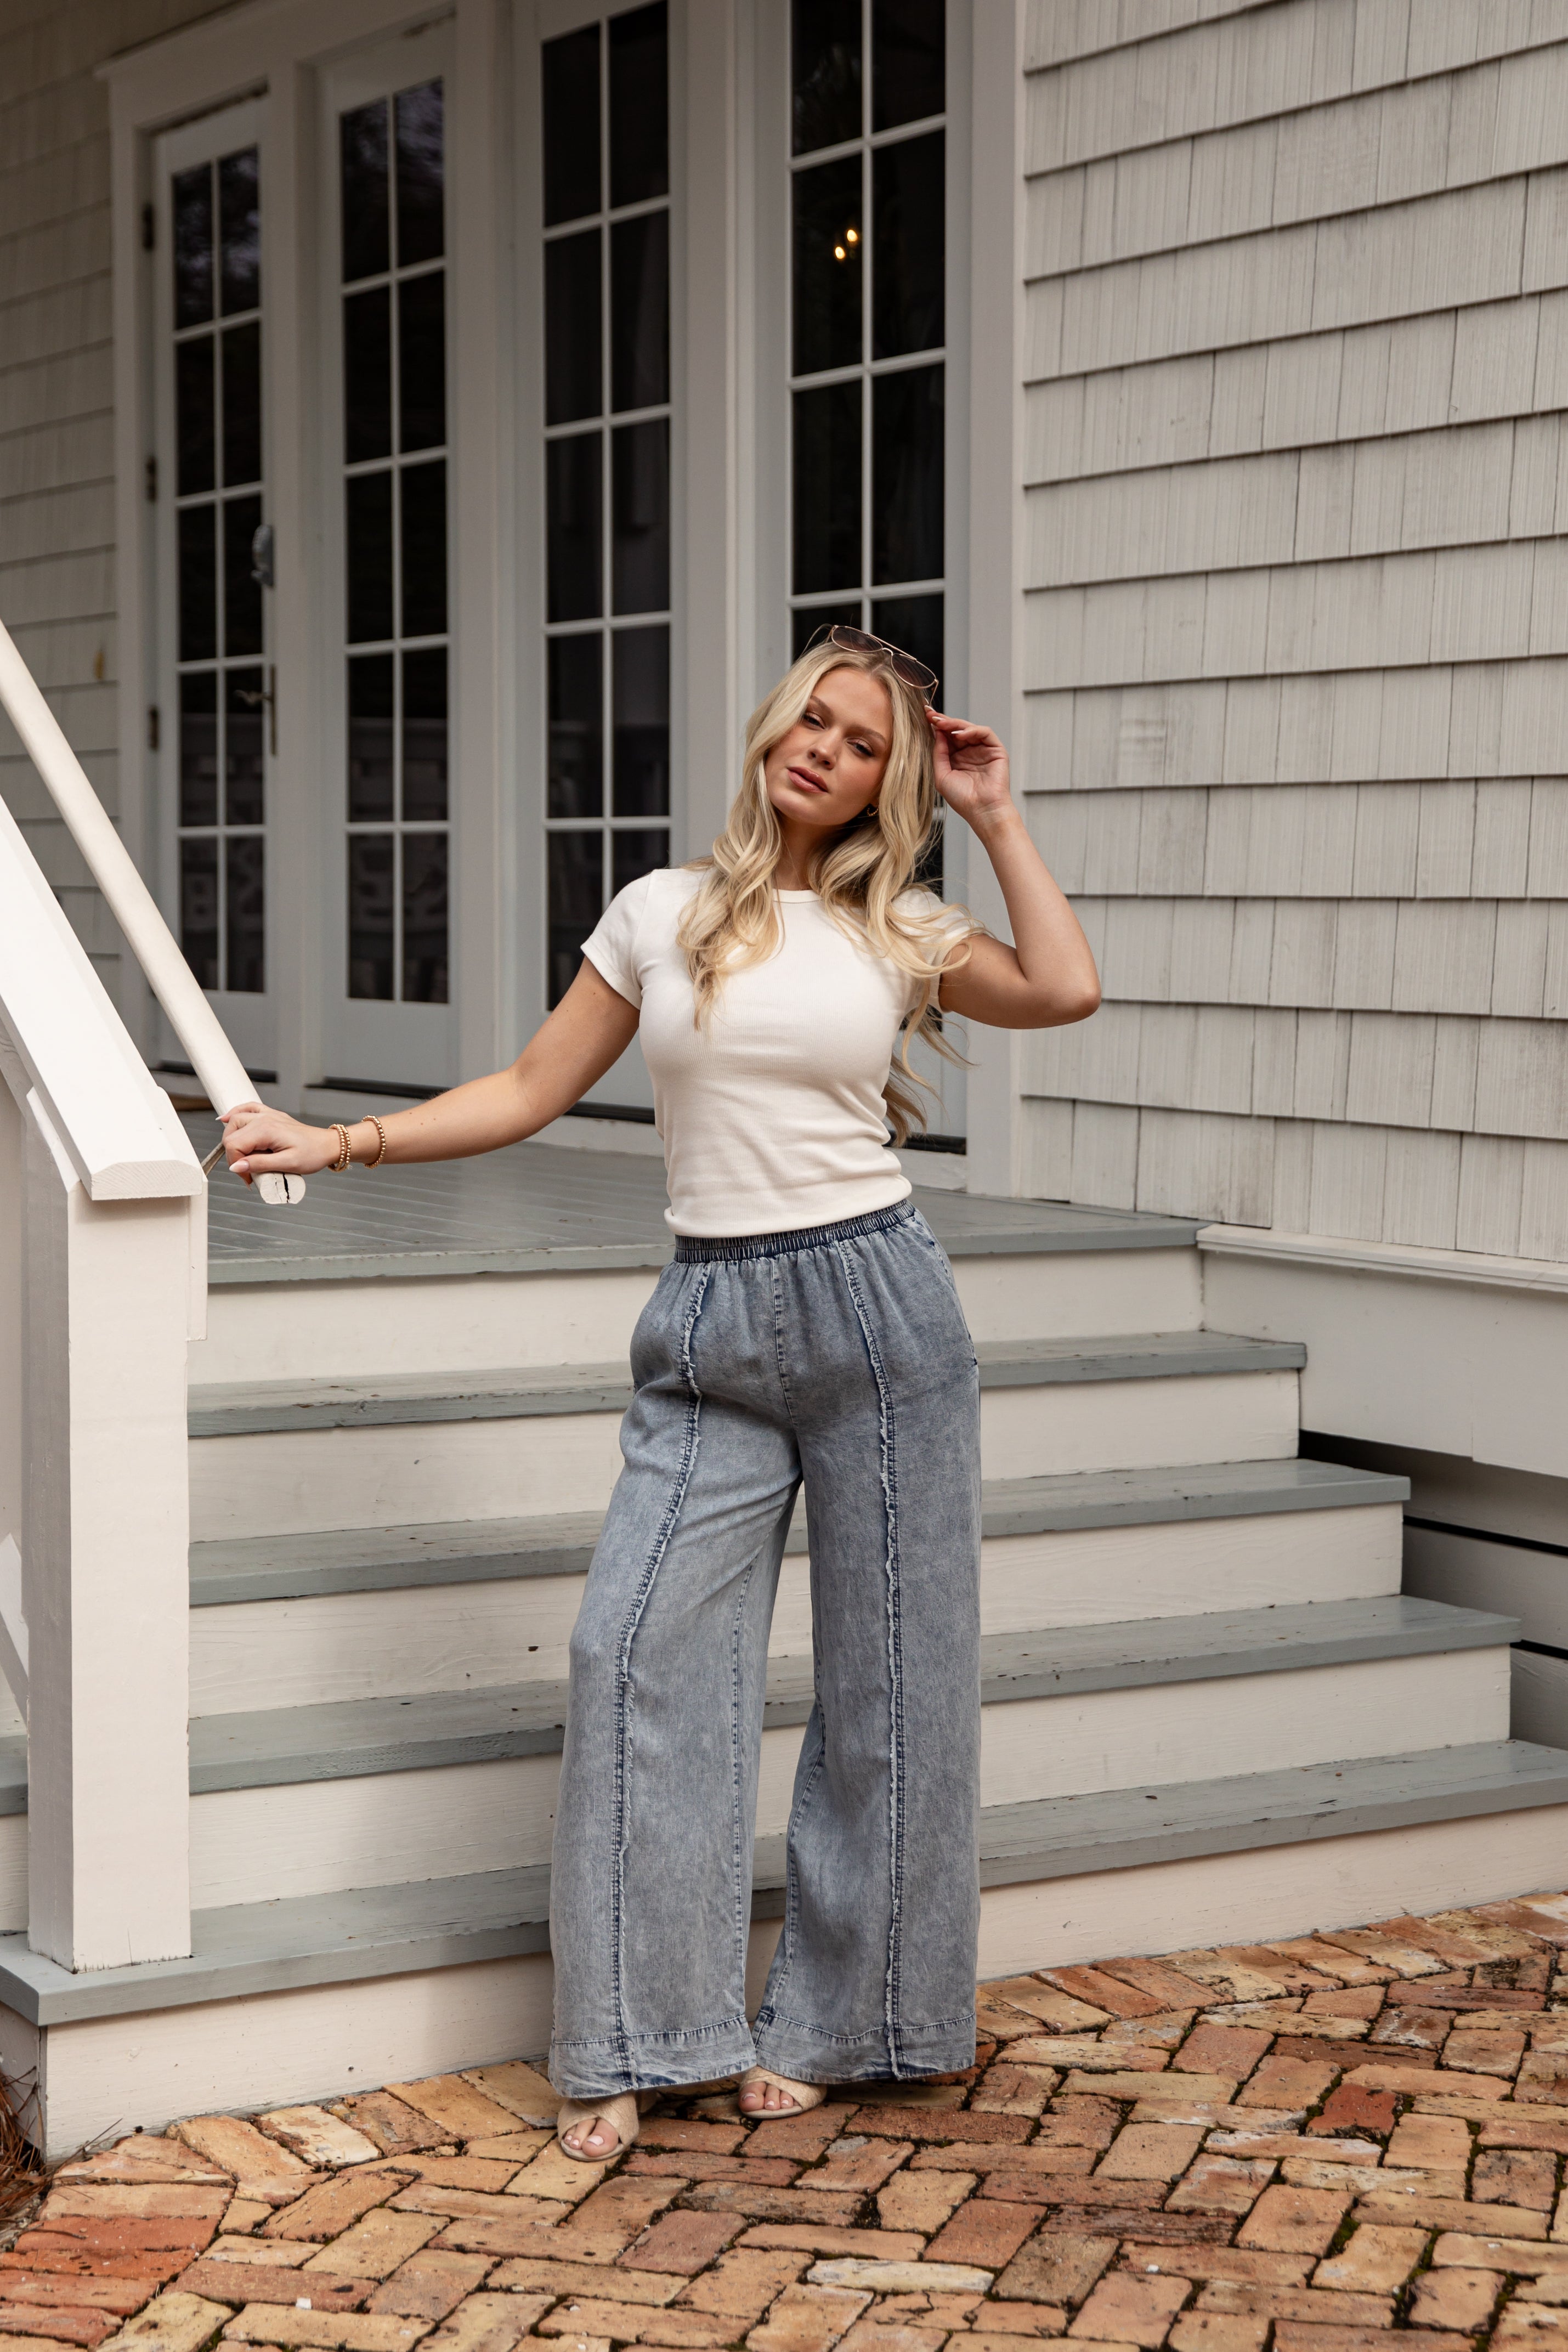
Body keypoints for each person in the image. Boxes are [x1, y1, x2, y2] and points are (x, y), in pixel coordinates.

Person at [220, 628, 1101, 2162]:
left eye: (862, 740)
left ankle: (851, 2022)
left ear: (894, 779)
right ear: (773, 728)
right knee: (630, 1655)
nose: (821, 748)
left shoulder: (900, 921)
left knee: (894, 1691)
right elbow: (525, 1089)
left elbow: (1066, 992)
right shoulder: (659, 909)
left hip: (878, 1304)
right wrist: (335, 1142)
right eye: (809, 719)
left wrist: (995, 811)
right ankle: (640, 2034)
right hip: (705, 1316)